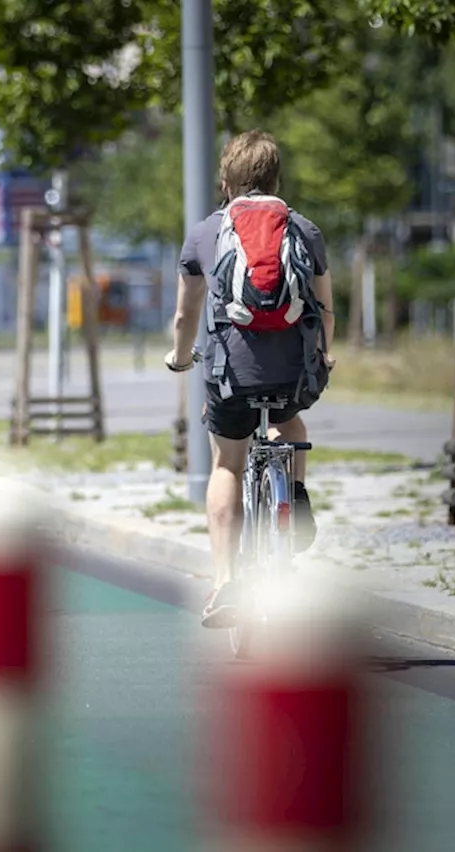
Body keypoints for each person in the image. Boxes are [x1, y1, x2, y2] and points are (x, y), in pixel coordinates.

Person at [164, 130, 336, 629]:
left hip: (229, 374)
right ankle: (295, 499)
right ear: (276, 178)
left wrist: (180, 360)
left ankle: (225, 582)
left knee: (227, 466)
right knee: (292, 427)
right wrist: (324, 356)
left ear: (226, 180)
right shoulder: (304, 229)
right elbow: (325, 311)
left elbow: (184, 316)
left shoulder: (204, 234)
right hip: (291, 374)